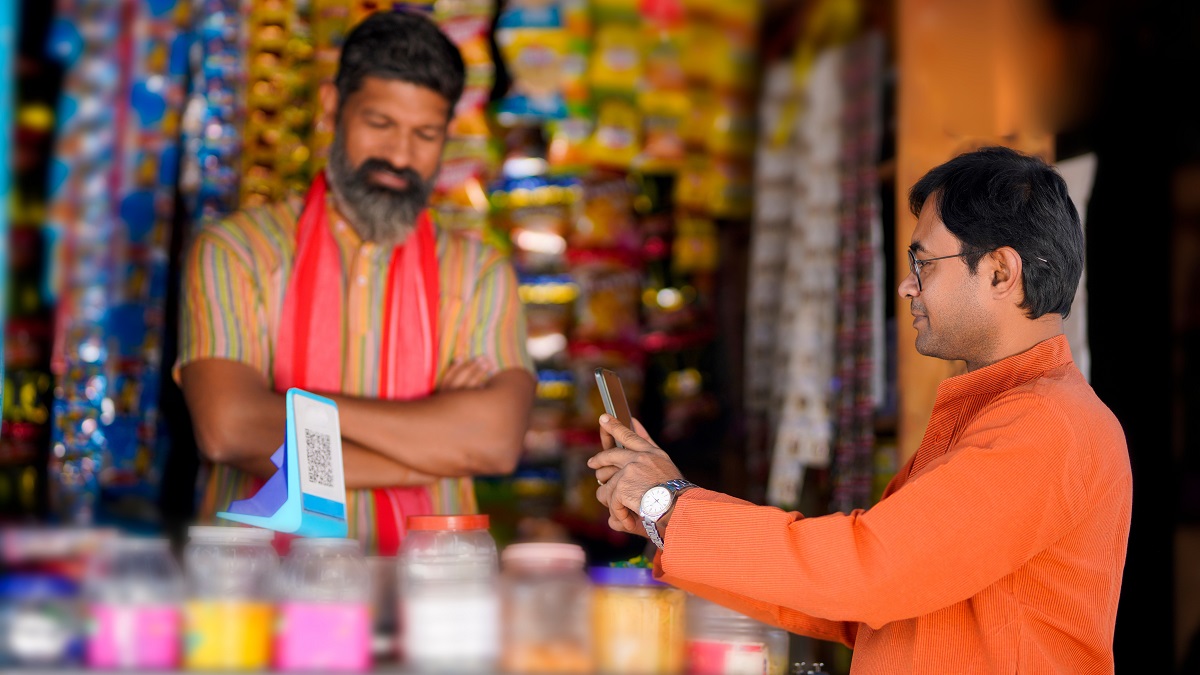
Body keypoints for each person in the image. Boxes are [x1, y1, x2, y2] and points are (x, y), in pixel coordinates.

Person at [589, 146, 1131, 673]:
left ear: (999, 272)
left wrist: (673, 507)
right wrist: (667, 523)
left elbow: (866, 574)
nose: (906, 286)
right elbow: (863, 607)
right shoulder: (1001, 411)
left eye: (924, 264)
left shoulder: (1043, 424)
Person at [176, 11, 535, 555]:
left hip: (432, 606)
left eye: (425, 135)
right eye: (380, 123)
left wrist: (298, 410)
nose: (399, 156)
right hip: (259, 601)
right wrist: (432, 442)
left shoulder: (479, 272)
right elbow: (230, 429)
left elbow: (494, 444)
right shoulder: (238, 252)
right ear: (331, 107)